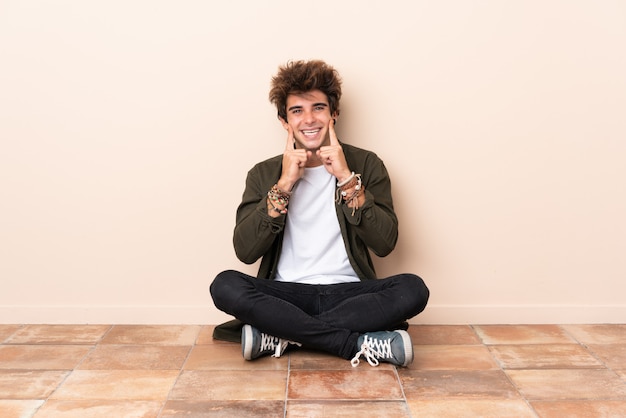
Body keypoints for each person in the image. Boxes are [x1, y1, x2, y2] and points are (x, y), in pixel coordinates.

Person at [210, 60, 429, 367]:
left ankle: (281, 334)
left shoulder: (366, 164)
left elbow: (385, 243)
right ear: (284, 121)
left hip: (351, 294)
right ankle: (353, 343)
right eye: (297, 110)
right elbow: (245, 251)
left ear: (334, 113)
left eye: (318, 108)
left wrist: (347, 179)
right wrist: (284, 184)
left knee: (412, 289)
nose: (309, 119)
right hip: (285, 295)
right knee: (225, 285)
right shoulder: (264, 173)